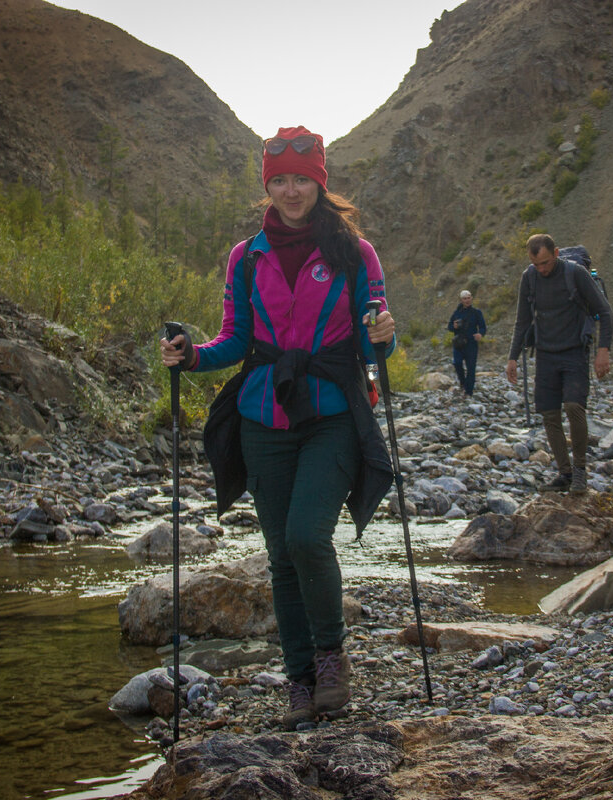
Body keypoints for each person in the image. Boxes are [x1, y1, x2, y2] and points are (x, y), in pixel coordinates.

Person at [160, 126, 396, 730]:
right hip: (263, 415)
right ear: (268, 184)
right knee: (280, 556)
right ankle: (298, 681)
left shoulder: (355, 253)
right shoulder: (247, 255)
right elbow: (235, 339)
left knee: (306, 537)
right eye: (280, 180)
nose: (292, 191)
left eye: (302, 179)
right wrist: (190, 356)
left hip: (333, 413)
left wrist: (385, 339)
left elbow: (378, 342)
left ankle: (331, 656)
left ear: (320, 182)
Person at [505, 233, 613, 495]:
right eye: (536, 264)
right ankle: (564, 473)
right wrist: (512, 357)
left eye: (545, 263)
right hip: (545, 354)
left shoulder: (575, 273)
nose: (541, 269)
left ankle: (580, 472)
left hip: (575, 352)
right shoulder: (529, 278)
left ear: (555, 253)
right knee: (549, 414)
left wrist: (603, 351)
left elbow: (606, 312)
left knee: (574, 406)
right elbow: (522, 321)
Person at [447, 289, 486, 397]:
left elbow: (483, 327)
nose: (467, 300)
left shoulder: (476, 313)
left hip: (471, 343)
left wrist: (480, 334)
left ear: (471, 298)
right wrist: (453, 327)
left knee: (471, 368)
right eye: (465, 298)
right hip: (459, 343)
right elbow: (449, 327)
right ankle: (463, 382)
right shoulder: (456, 313)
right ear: (461, 300)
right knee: (457, 363)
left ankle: (469, 392)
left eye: (469, 298)